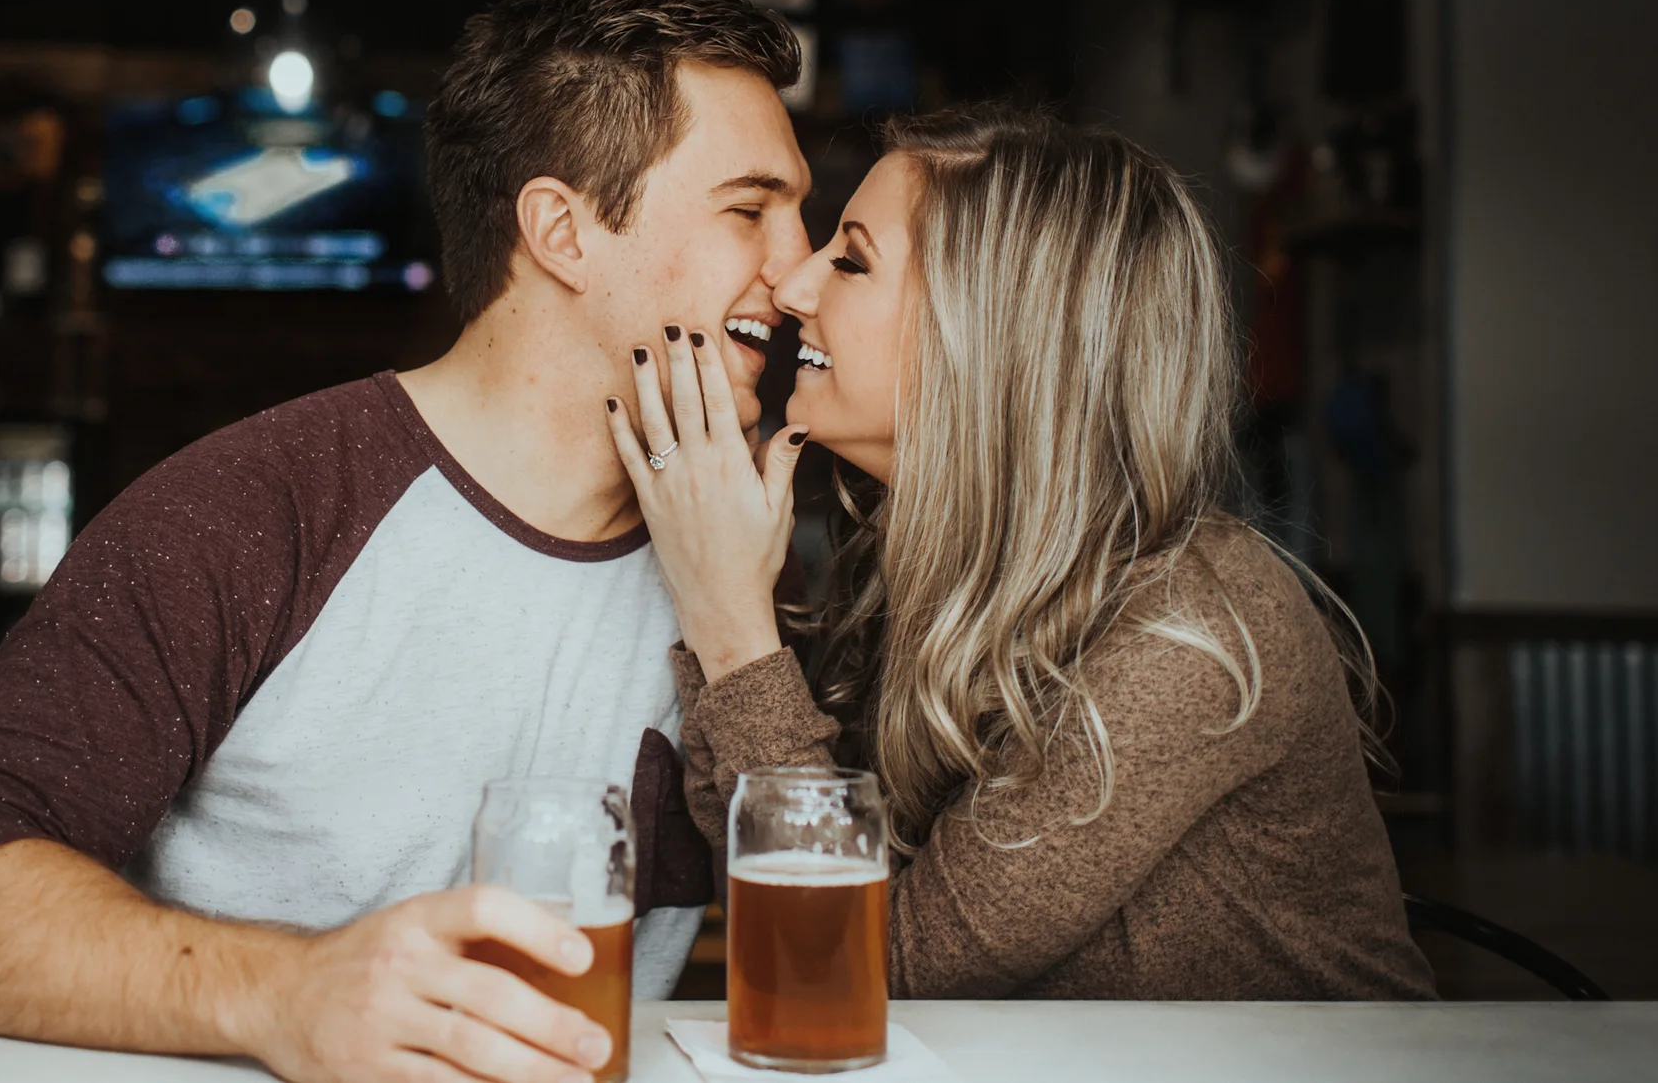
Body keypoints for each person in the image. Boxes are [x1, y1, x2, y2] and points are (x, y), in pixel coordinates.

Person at [0, 0, 815, 1081]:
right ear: (562, 231)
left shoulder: (752, 545)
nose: (804, 271)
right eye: (751, 210)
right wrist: (285, 990)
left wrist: (742, 627)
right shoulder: (253, 511)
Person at [609, 105, 1436, 1000]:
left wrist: (730, 625)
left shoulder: (1185, 635)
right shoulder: (922, 562)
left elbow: (867, 972)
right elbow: (772, 864)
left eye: (851, 259)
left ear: (990, 333)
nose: (795, 286)